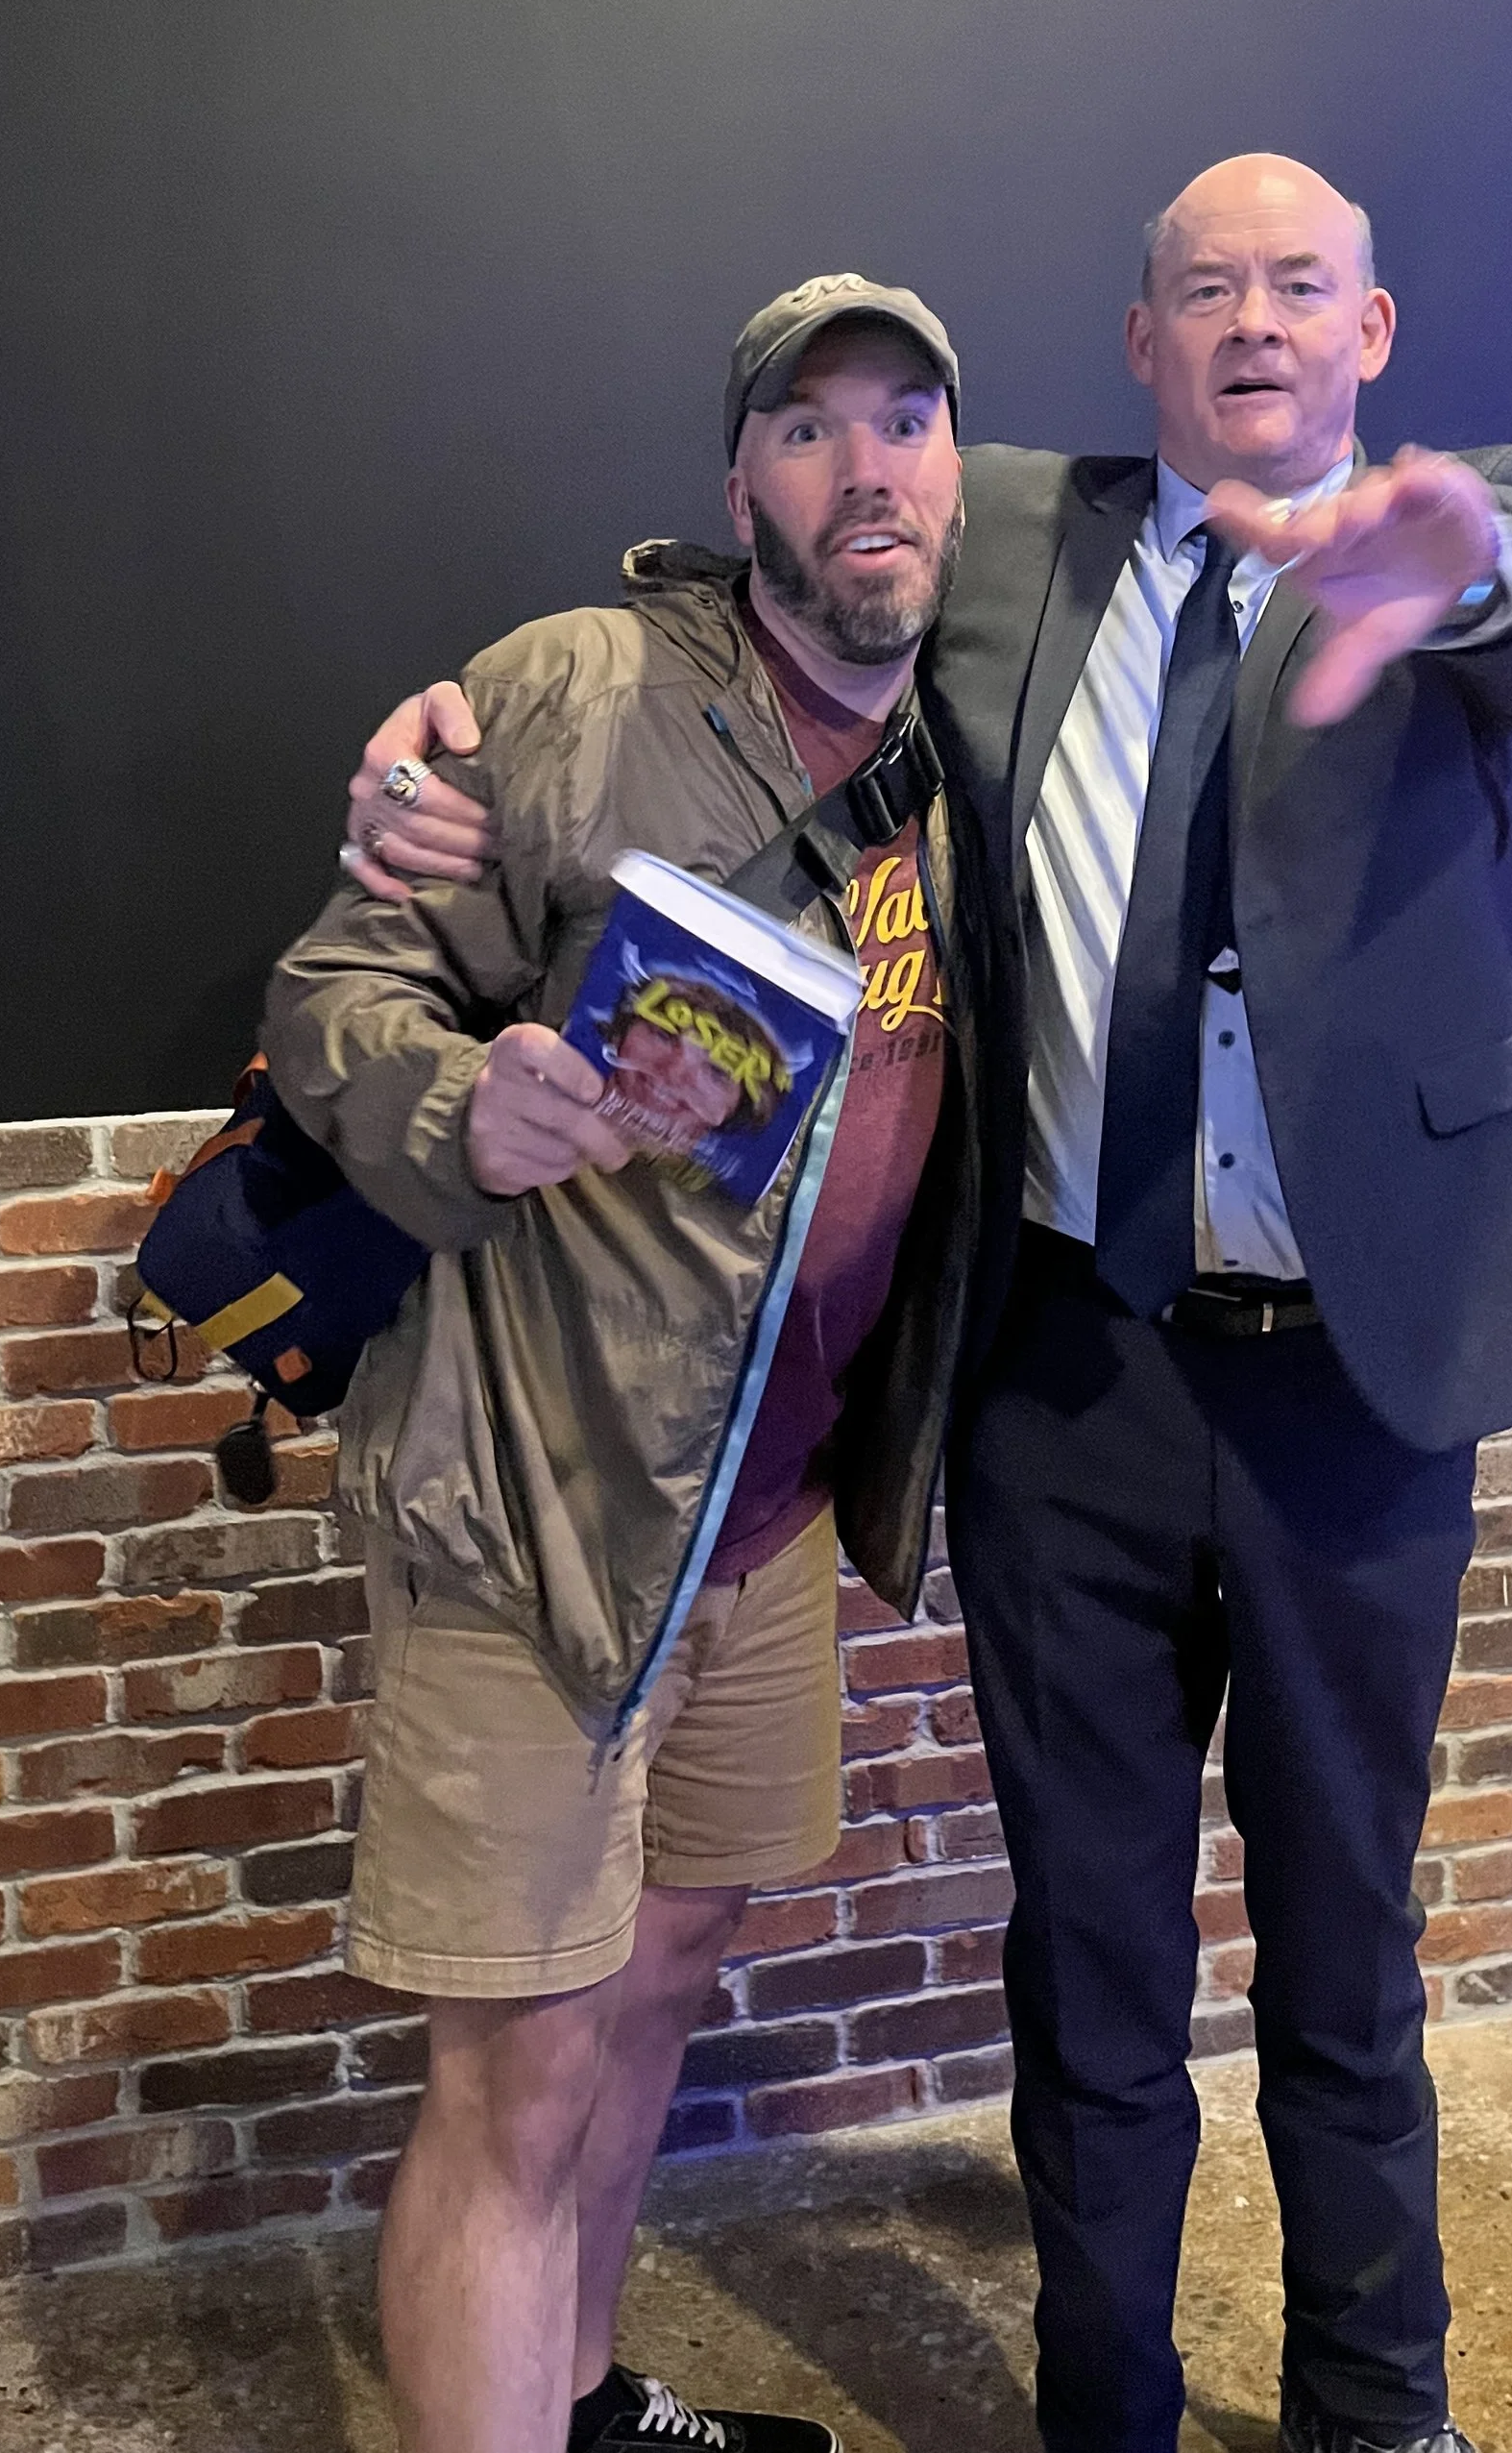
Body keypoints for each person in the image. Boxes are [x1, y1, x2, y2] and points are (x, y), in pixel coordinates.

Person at [334, 156, 1512, 2453]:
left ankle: (1375, 2406)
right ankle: (1103, 2411)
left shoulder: (1447, 546)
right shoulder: (998, 531)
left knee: (1348, 1955)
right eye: (1201, 290)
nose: (1252, 322)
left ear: (1369, 329)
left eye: (1299, 287)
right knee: (1094, 1962)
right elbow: (730, 600)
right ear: (1134, 345)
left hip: (1354, 1381)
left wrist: (1483, 550)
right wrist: (432, 731)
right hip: (1070, 1380)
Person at [267, 278, 984, 2453]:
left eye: (907, 420)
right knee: (519, 2063)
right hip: (540, 1497)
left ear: (960, 466)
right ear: (737, 476)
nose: (865, 469)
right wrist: (446, 1102)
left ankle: (576, 2404)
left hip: (759, 1515)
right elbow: (334, 987)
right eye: (807, 427)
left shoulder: (967, 736)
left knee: (660, 1983)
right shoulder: (577, 692)